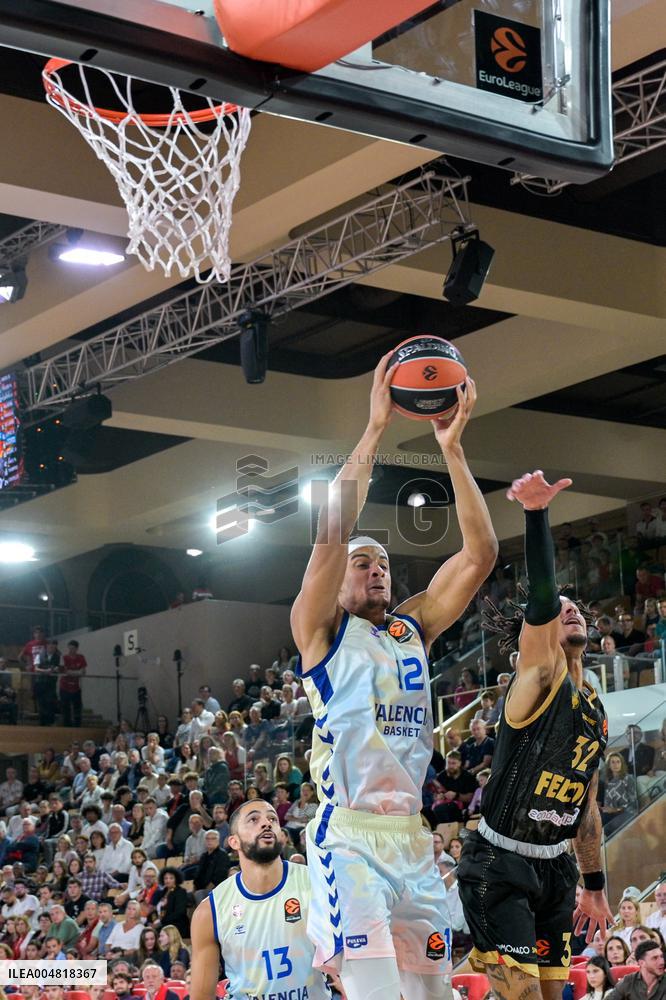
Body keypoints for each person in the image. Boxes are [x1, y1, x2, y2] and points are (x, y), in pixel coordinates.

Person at [290, 357, 497, 1000]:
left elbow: (481, 555)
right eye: (362, 563)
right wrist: (376, 429)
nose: (375, 569)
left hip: (412, 834)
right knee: (376, 991)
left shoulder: (413, 628)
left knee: (433, 993)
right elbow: (330, 532)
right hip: (349, 836)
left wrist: (452, 450)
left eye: (382, 562)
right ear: (338, 580)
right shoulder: (319, 631)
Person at [458, 470, 612, 1000]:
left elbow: (585, 811)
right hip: (498, 866)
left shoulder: (595, 712)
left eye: (577, 607)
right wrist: (537, 514)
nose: (570, 610)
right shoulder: (538, 680)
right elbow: (544, 597)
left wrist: (594, 886)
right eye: (560, 608)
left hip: (556, 868)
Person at [190, 798, 330, 1000]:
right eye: (254, 819)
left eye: (272, 819)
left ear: (281, 835)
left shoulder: (317, 883)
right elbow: (201, 996)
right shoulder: (210, 911)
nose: (266, 823)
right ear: (234, 842)